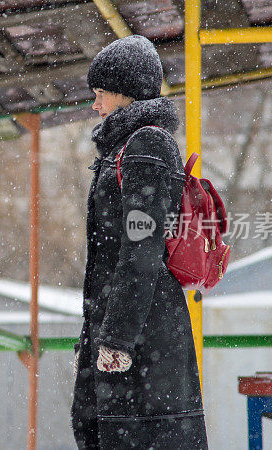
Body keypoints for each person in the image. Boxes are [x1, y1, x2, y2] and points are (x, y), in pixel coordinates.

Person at [70, 35, 208, 449]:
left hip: (144, 338)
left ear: (125, 92)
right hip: (128, 328)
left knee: (134, 436)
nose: (95, 106)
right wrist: (91, 336)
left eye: (100, 95)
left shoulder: (145, 145)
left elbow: (140, 249)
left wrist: (116, 339)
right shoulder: (122, 149)